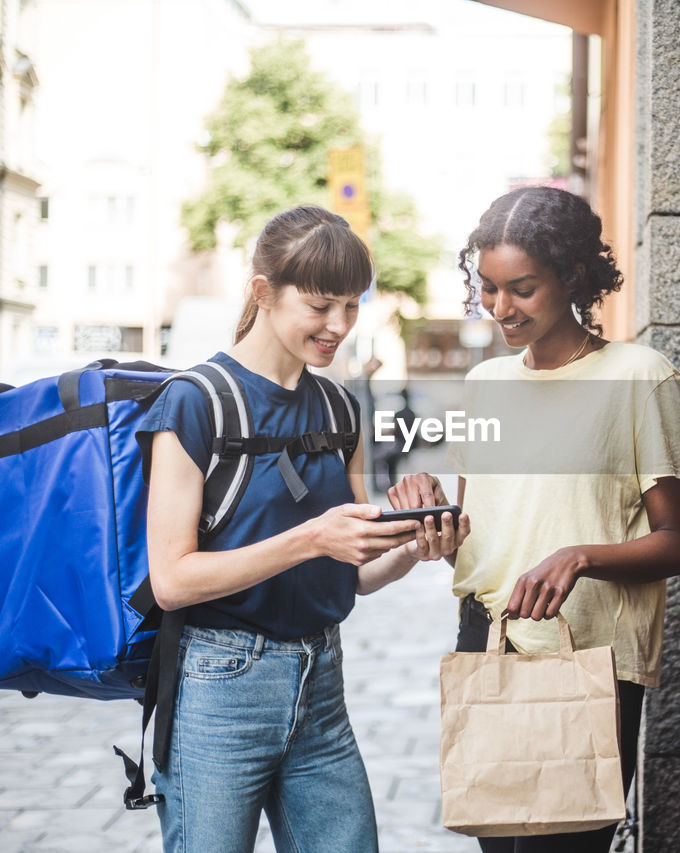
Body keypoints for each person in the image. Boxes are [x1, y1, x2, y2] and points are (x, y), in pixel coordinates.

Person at [138, 205, 467, 853]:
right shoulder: (196, 400)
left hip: (321, 685)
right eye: (321, 306)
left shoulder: (340, 406)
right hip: (220, 689)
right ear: (263, 292)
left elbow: (354, 574)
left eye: (352, 305)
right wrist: (312, 537)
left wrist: (411, 542)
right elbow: (172, 580)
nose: (339, 325)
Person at [389, 186, 680, 853]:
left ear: (574, 277)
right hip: (490, 640)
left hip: (588, 658)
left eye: (521, 288)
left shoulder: (640, 378)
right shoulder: (486, 385)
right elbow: (476, 536)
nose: (501, 308)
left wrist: (580, 555)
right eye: (489, 288)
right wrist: (431, 517)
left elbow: (678, 542)